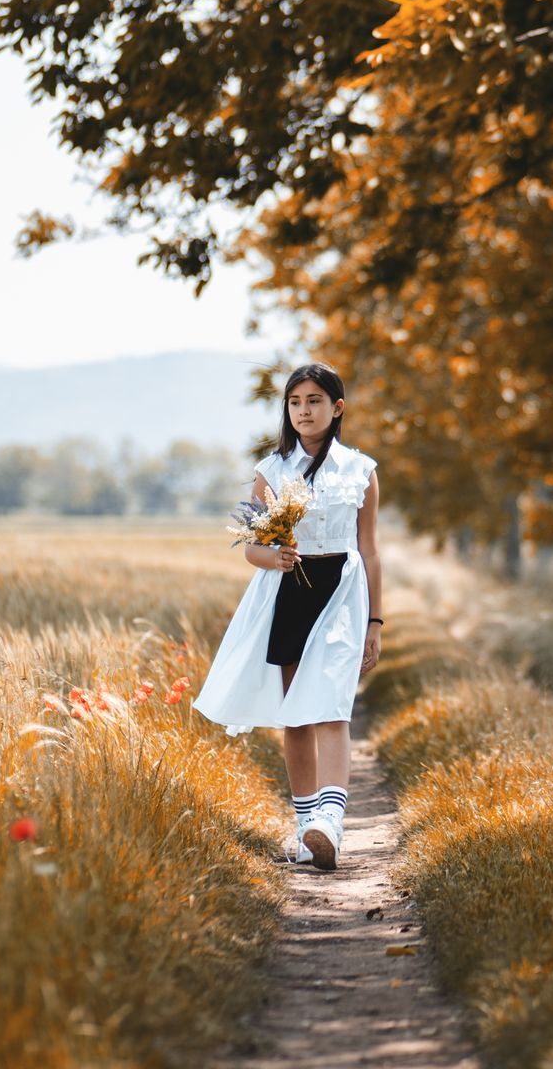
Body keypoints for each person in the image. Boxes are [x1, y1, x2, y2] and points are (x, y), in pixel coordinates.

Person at [191, 361, 383, 870]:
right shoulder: (271, 471)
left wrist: (375, 623)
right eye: (295, 402)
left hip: (341, 593)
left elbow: (369, 549)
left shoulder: (361, 470)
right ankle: (306, 828)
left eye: (314, 401)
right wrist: (272, 556)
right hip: (289, 594)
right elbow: (251, 548)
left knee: (332, 707)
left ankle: (331, 822)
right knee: (296, 715)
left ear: (336, 408)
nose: (304, 411)